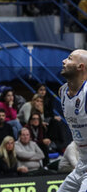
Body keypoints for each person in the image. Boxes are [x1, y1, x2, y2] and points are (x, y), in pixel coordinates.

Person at [58, 49, 87, 191]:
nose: (64, 61)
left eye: (69, 58)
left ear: (80, 67)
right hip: (82, 163)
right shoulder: (62, 91)